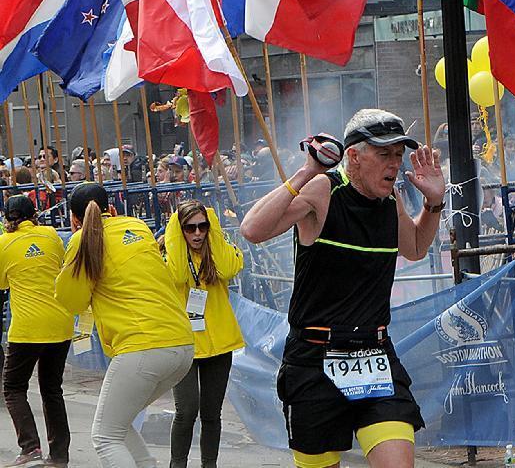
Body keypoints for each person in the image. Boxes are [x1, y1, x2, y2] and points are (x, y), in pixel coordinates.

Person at [241, 109, 445, 468]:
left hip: (373, 354)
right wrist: (307, 172)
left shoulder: (390, 200)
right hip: (315, 356)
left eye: (398, 155)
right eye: (383, 154)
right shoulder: (324, 190)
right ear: (353, 155)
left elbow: (414, 246)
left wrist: (433, 204)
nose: (394, 165)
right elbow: (253, 230)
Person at [55, 183, 194, 468]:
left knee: (105, 437)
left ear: (74, 218)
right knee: (119, 424)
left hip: (142, 347)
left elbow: (73, 301)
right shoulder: (138, 227)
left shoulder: (81, 240)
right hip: (182, 345)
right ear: (112, 208)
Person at [164, 200, 244, 468]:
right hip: (184, 343)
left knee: (212, 414)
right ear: (179, 230)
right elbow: (175, 275)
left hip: (219, 344)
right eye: (189, 228)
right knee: (186, 411)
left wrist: (213, 220)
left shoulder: (218, 252)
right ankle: (178, 465)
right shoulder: (168, 252)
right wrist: (174, 232)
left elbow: (228, 268)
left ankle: (210, 464)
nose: (197, 233)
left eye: (202, 226)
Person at [0, 195, 74, 467]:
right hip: (60, 322)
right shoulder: (52, 235)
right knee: (52, 389)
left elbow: (1, 283)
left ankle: (30, 447)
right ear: (34, 214)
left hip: (28, 327)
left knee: (13, 387)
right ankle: (60, 455)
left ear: (8, 218)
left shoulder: (4, 243)